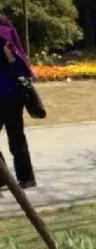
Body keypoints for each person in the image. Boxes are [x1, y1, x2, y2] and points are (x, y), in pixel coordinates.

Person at [0, 14, 34, 188]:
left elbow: (19, 67)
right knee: (17, 139)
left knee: (16, 139)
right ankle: (3, 176)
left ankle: (26, 178)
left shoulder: (5, 34)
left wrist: (10, 57)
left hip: (10, 96)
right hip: (9, 96)